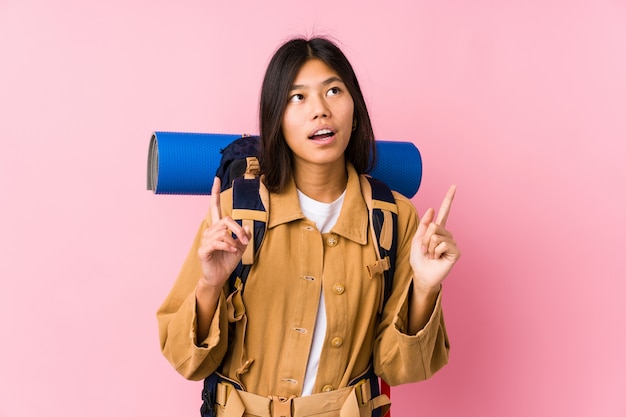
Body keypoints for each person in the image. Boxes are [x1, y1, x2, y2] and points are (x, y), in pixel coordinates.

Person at [157, 36, 460, 417]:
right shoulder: (235, 211)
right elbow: (187, 361)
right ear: (276, 119)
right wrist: (209, 285)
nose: (320, 110)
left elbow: (399, 367)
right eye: (297, 97)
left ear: (355, 108)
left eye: (334, 90)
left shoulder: (395, 218)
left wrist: (426, 289)